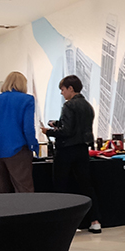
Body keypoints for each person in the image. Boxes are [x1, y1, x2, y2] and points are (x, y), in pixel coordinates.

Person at [43, 75, 101, 233]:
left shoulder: (68, 105)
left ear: (70, 88)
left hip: (66, 150)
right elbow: (77, 126)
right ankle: (95, 221)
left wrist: (49, 131)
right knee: (86, 185)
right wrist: (57, 123)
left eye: (63, 89)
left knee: (61, 185)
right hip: (82, 149)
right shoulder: (88, 106)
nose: (61, 93)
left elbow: (67, 131)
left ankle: (64, 223)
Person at [0, 71, 39, 193]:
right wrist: (33, 146)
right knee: (23, 189)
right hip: (18, 150)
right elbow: (28, 128)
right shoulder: (27, 99)